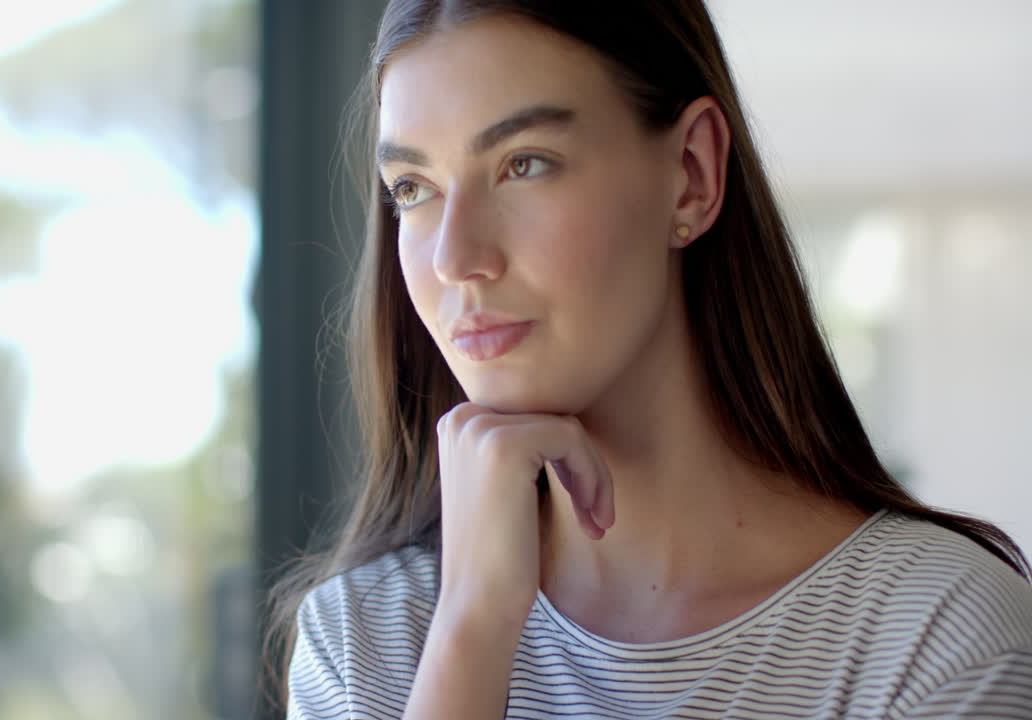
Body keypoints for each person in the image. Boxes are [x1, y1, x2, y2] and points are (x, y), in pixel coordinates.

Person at [270, 1, 1032, 718]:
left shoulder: (937, 638)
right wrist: (472, 628)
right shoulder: (364, 644)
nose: (455, 257)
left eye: (524, 163)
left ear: (691, 176)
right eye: (413, 187)